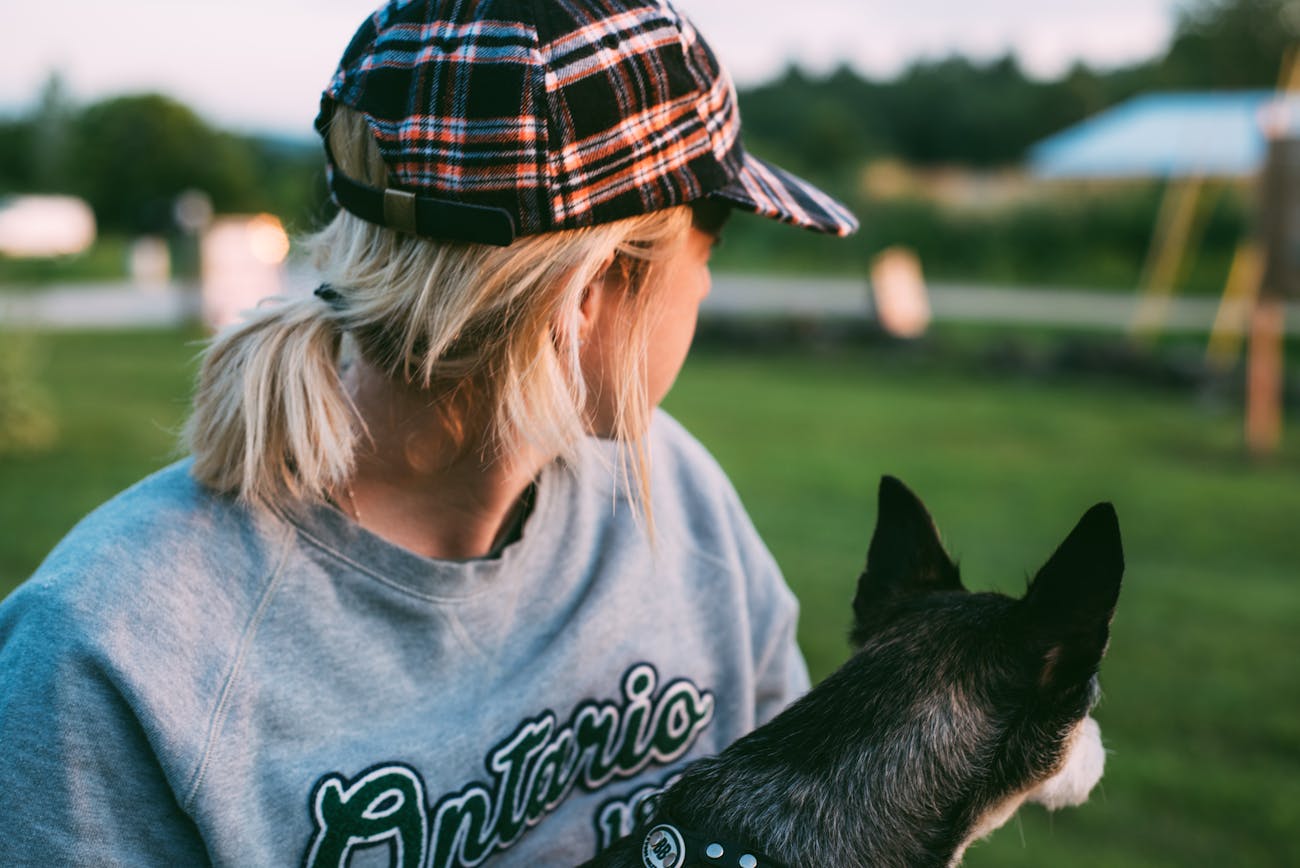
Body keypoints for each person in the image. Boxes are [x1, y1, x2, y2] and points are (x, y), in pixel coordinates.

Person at [0, 1, 857, 864]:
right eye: (709, 238)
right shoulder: (103, 661)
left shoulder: (676, 496)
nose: (705, 286)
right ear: (588, 295)